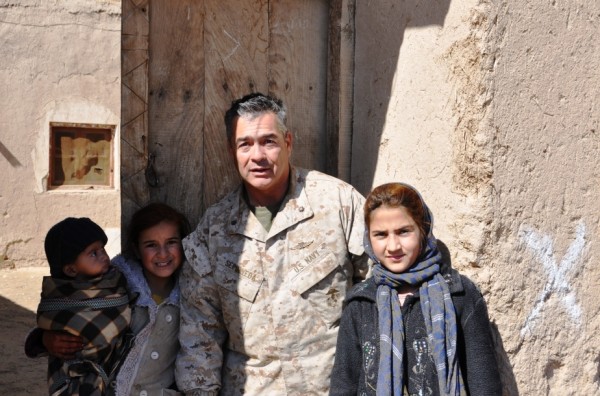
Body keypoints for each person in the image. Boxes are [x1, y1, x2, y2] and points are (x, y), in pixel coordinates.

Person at [176, 92, 370, 395]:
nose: (258, 156)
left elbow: (378, 288)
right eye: (245, 144)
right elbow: (199, 332)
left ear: (288, 143)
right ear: (232, 151)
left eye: (268, 141)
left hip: (332, 386)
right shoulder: (214, 230)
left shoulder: (337, 203)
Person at [329, 183, 502, 395]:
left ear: (423, 229)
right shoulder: (361, 302)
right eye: (381, 235)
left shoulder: (459, 294)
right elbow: (343, 385)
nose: (393, 246)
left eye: (403, 232)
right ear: (368, 237)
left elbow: (484, 384)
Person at [27, 203, 191, 396]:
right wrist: (44, 339)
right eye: (151, 245)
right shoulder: (114, 284)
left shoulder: (193, 294)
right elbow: (73, 315)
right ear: (136, 250)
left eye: (171, 242)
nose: (163, 253)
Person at [36, 217, 131, 396]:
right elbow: (49, 318)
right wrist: (43, 338)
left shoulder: (118, 278)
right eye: (93, 253)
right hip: (75, 381)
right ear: (71, 270)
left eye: (102, 248)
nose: (103, 255)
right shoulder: (60, 298)